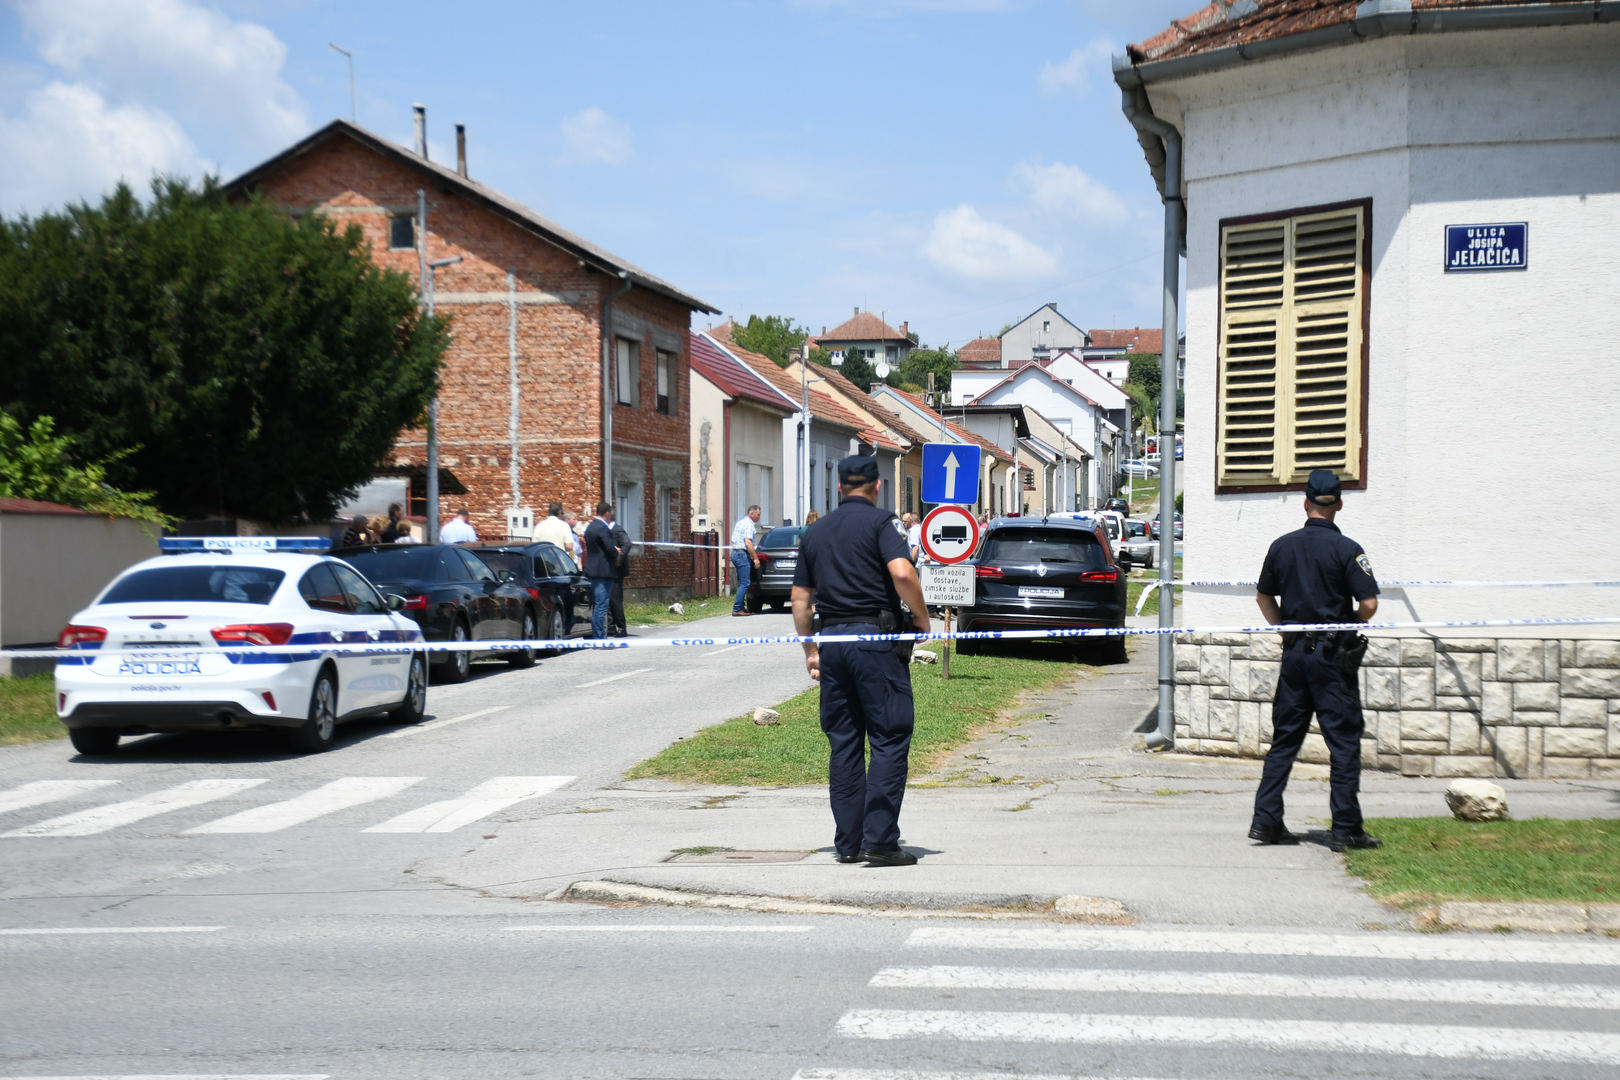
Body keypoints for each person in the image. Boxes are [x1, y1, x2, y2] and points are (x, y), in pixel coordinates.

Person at [791, 455, 931, 867]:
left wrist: (811, 650)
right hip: (875, 639)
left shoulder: (815, 532)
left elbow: (800, 602)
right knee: (888, 736)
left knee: (845, 741)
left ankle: (848, 843)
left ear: (838, 488)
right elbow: (903, 574)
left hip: (833, 640)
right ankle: (881, 841)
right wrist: (922, 618)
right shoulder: (882, 523)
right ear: (876, 487)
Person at [1251, 469, 1382, 853]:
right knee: (1343, 743)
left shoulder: (1281, 546)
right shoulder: (1347, 550)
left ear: (1305, 503)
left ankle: (1266, 821)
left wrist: (1284, 631)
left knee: (1285, 740)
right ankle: (1345, 829)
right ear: (1338, 504)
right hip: (1331, 658)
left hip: (1294, 656)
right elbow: (1370, 603)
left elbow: (1263, 598)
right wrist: (1350, 626)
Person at [583, 501, 621, 639]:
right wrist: (616, 550)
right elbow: (610, 549)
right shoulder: (603, 529)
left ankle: (597, 635)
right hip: (603, 570)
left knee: (597, 605)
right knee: (601, 605)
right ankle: (599, 637)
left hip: (592, 568)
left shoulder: (590, 527)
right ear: (607, 513)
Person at [729, 504, 762, 616]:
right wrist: (756, 558)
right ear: (751, 514)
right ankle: (737, 608)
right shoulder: (749, 525)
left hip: (736, 553)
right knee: (745, 582)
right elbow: (748, 543)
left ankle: (741, 607)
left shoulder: (741, 522)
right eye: (758, 514)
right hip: (742, 554)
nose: (759, 517)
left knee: (742, 582)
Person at [609, 515, 632, 637]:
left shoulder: (617, 530)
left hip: (616, 571)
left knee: (615, 599)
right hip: (609, 570)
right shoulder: (607, 530)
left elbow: (627, 544)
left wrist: (619, 559)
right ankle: (611, 626)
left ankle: (621, 627)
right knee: (610, 600)